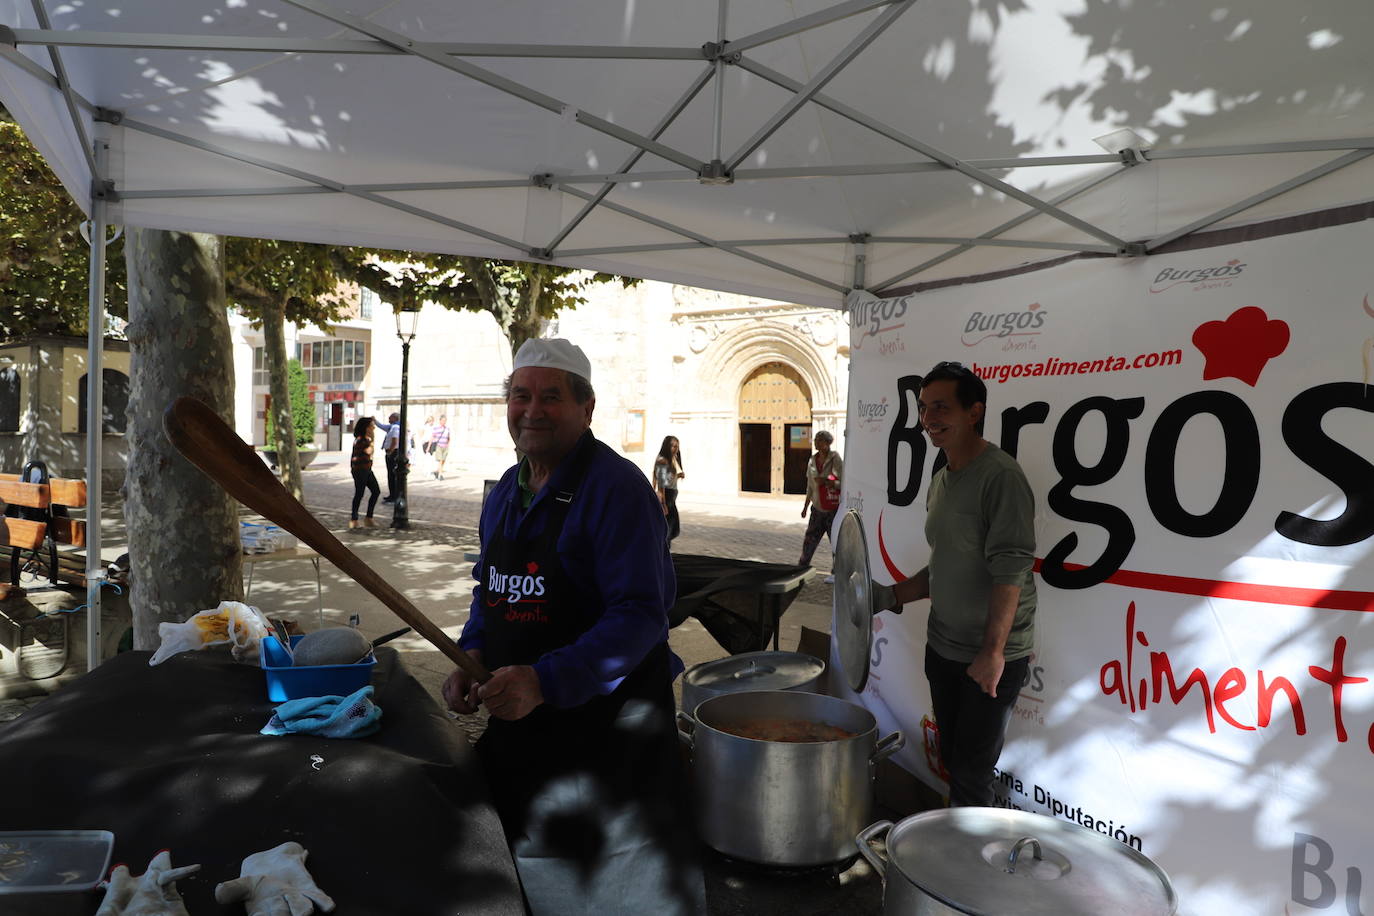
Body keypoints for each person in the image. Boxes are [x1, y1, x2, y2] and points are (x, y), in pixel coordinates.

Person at [441, 339, 704, 915]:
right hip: (524, 724)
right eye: (520, 395)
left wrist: (545, 681)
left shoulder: (618, 491)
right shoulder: (506, 492)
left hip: (606, 732)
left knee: (609, 883)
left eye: (551, 397)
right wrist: (473, 651)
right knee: (517, 861)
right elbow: (491, 591)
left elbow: (640, 615)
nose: (532, 409)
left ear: (586, 408)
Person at [873, 361, 1037, 808]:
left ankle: (964, 872)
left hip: (985, 659)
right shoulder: (941, 480)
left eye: (941, 408)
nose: (928, 420)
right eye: (924, 409)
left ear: (974, 412)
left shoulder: (1001, 476)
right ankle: (952, 852)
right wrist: (888, 596)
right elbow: (944, 567)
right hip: (942, 647)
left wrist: (992, 653)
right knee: (952, 760)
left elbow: (1011, 572)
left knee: (971, 773)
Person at [798, 430, 843, 566]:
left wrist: (830, 482)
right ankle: (802, 566)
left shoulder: (835, 459)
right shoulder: (812, 460)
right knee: (810, 539)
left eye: (819, 439)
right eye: (816, 439)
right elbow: (810, 487)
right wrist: (805, 507)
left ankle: (837, 571)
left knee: (836, 541)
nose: (816, 442)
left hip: (833, 509)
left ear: (827, 443)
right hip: (817, 508)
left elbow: (844, 482)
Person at [348, 417, 380, 529]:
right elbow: (369, 451)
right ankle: (354, 519)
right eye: (372, 426)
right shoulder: (362, 439)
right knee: (359, 493)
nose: (374, 428)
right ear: (366, 428)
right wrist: (373, 440)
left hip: (366, 469)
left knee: (376, 491)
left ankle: (368, 518)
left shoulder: (364, 439)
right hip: (360, 470)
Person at [652, 435, 684, 542]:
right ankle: (663, 551)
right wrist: (663, 504)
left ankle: (664, 549)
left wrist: (678, 476)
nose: (675, 449)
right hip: (667, 499)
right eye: (673, 446)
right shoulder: (662, 460)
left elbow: (667, 479)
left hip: (671, 498)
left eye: (677, 447)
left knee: (672, 529)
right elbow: (661, 483)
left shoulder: (670, 459)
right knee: (669, 530)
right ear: (667, 446)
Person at [379, 411, 401, 501]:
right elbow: (381, 426)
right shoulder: (392, 427)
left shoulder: (395, 427)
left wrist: (390, 452)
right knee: (391, 474)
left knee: (392, 475)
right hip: (392, 452)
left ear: (395, 418)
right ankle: (392, 494)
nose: (388, 419)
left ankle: (393, 495)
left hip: (393, 453)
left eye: (390, 417)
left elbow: (395, 441)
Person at [430, 415, 450, 480]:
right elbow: (432, 437)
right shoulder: (436, 428)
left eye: (445, 421)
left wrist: (448, 444)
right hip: (439, 446)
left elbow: (449, 437)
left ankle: (437, 471)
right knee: (440, 460)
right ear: (440, 421)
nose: (444, 422)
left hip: (445, 446)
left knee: (443, 461)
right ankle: (440, 475)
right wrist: (429, 446)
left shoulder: (447, 428)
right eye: (443, 420)